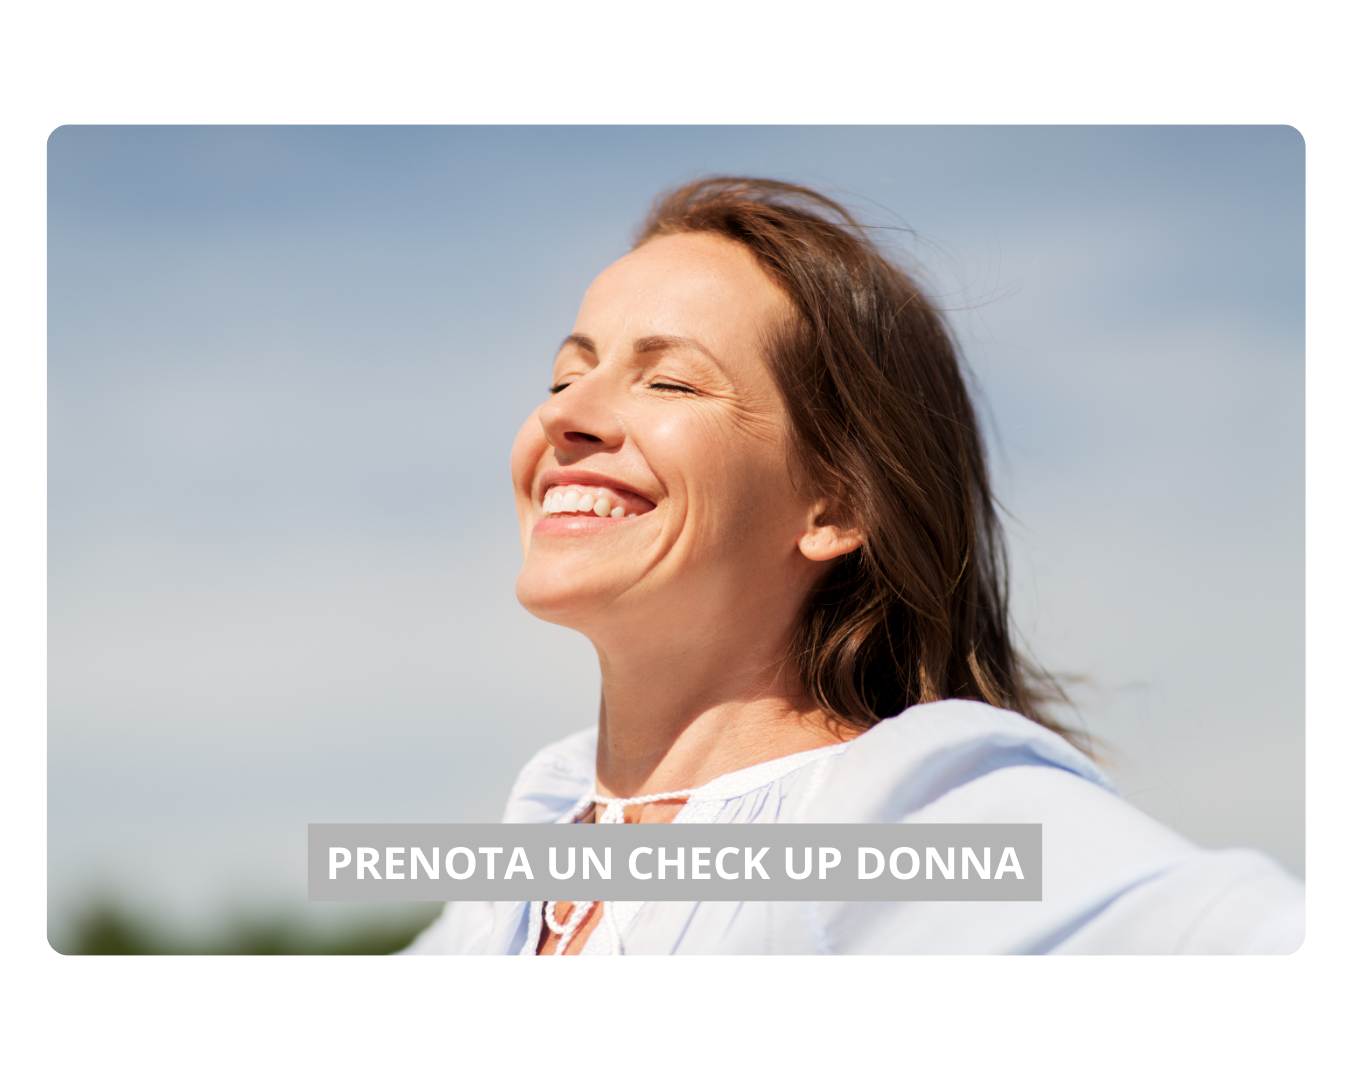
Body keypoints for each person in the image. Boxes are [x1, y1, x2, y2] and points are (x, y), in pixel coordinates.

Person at [403, 178, 1304, 955]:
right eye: (566, 377)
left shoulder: (891, 813)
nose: (563, 417)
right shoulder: (527, 863)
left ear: (835, 505)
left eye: (669, 381)